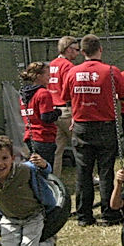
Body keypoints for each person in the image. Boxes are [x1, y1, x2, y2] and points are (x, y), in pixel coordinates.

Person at [60, 34, 124, 227]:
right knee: (106, 172)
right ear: (100, 49)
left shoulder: (72, 73)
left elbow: (65, 97)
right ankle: (110, 213)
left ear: (82, 52)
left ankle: (84, 215)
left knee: (83, 172)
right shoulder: (111, 71)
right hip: (106, 126)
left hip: (82, 126)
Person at [47, 36, 81, 175]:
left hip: (53, 110)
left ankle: (54, 179)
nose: (78, 53)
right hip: (66, 109)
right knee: (80, 146)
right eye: (76, 50)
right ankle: (87, 177)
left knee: (57, 149)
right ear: (69, 49)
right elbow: (71, 90)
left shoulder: (52, 64)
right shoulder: (68, 66)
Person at [19, 61, 59, 167]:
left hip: (29, 137)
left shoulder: (24, 95)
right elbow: (46, 117)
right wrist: (57, 112)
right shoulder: (43, 93)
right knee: (44, 169)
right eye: (47, 75)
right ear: (39, 76)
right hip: (43, 138)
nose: (49, 77)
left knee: (32, 169)